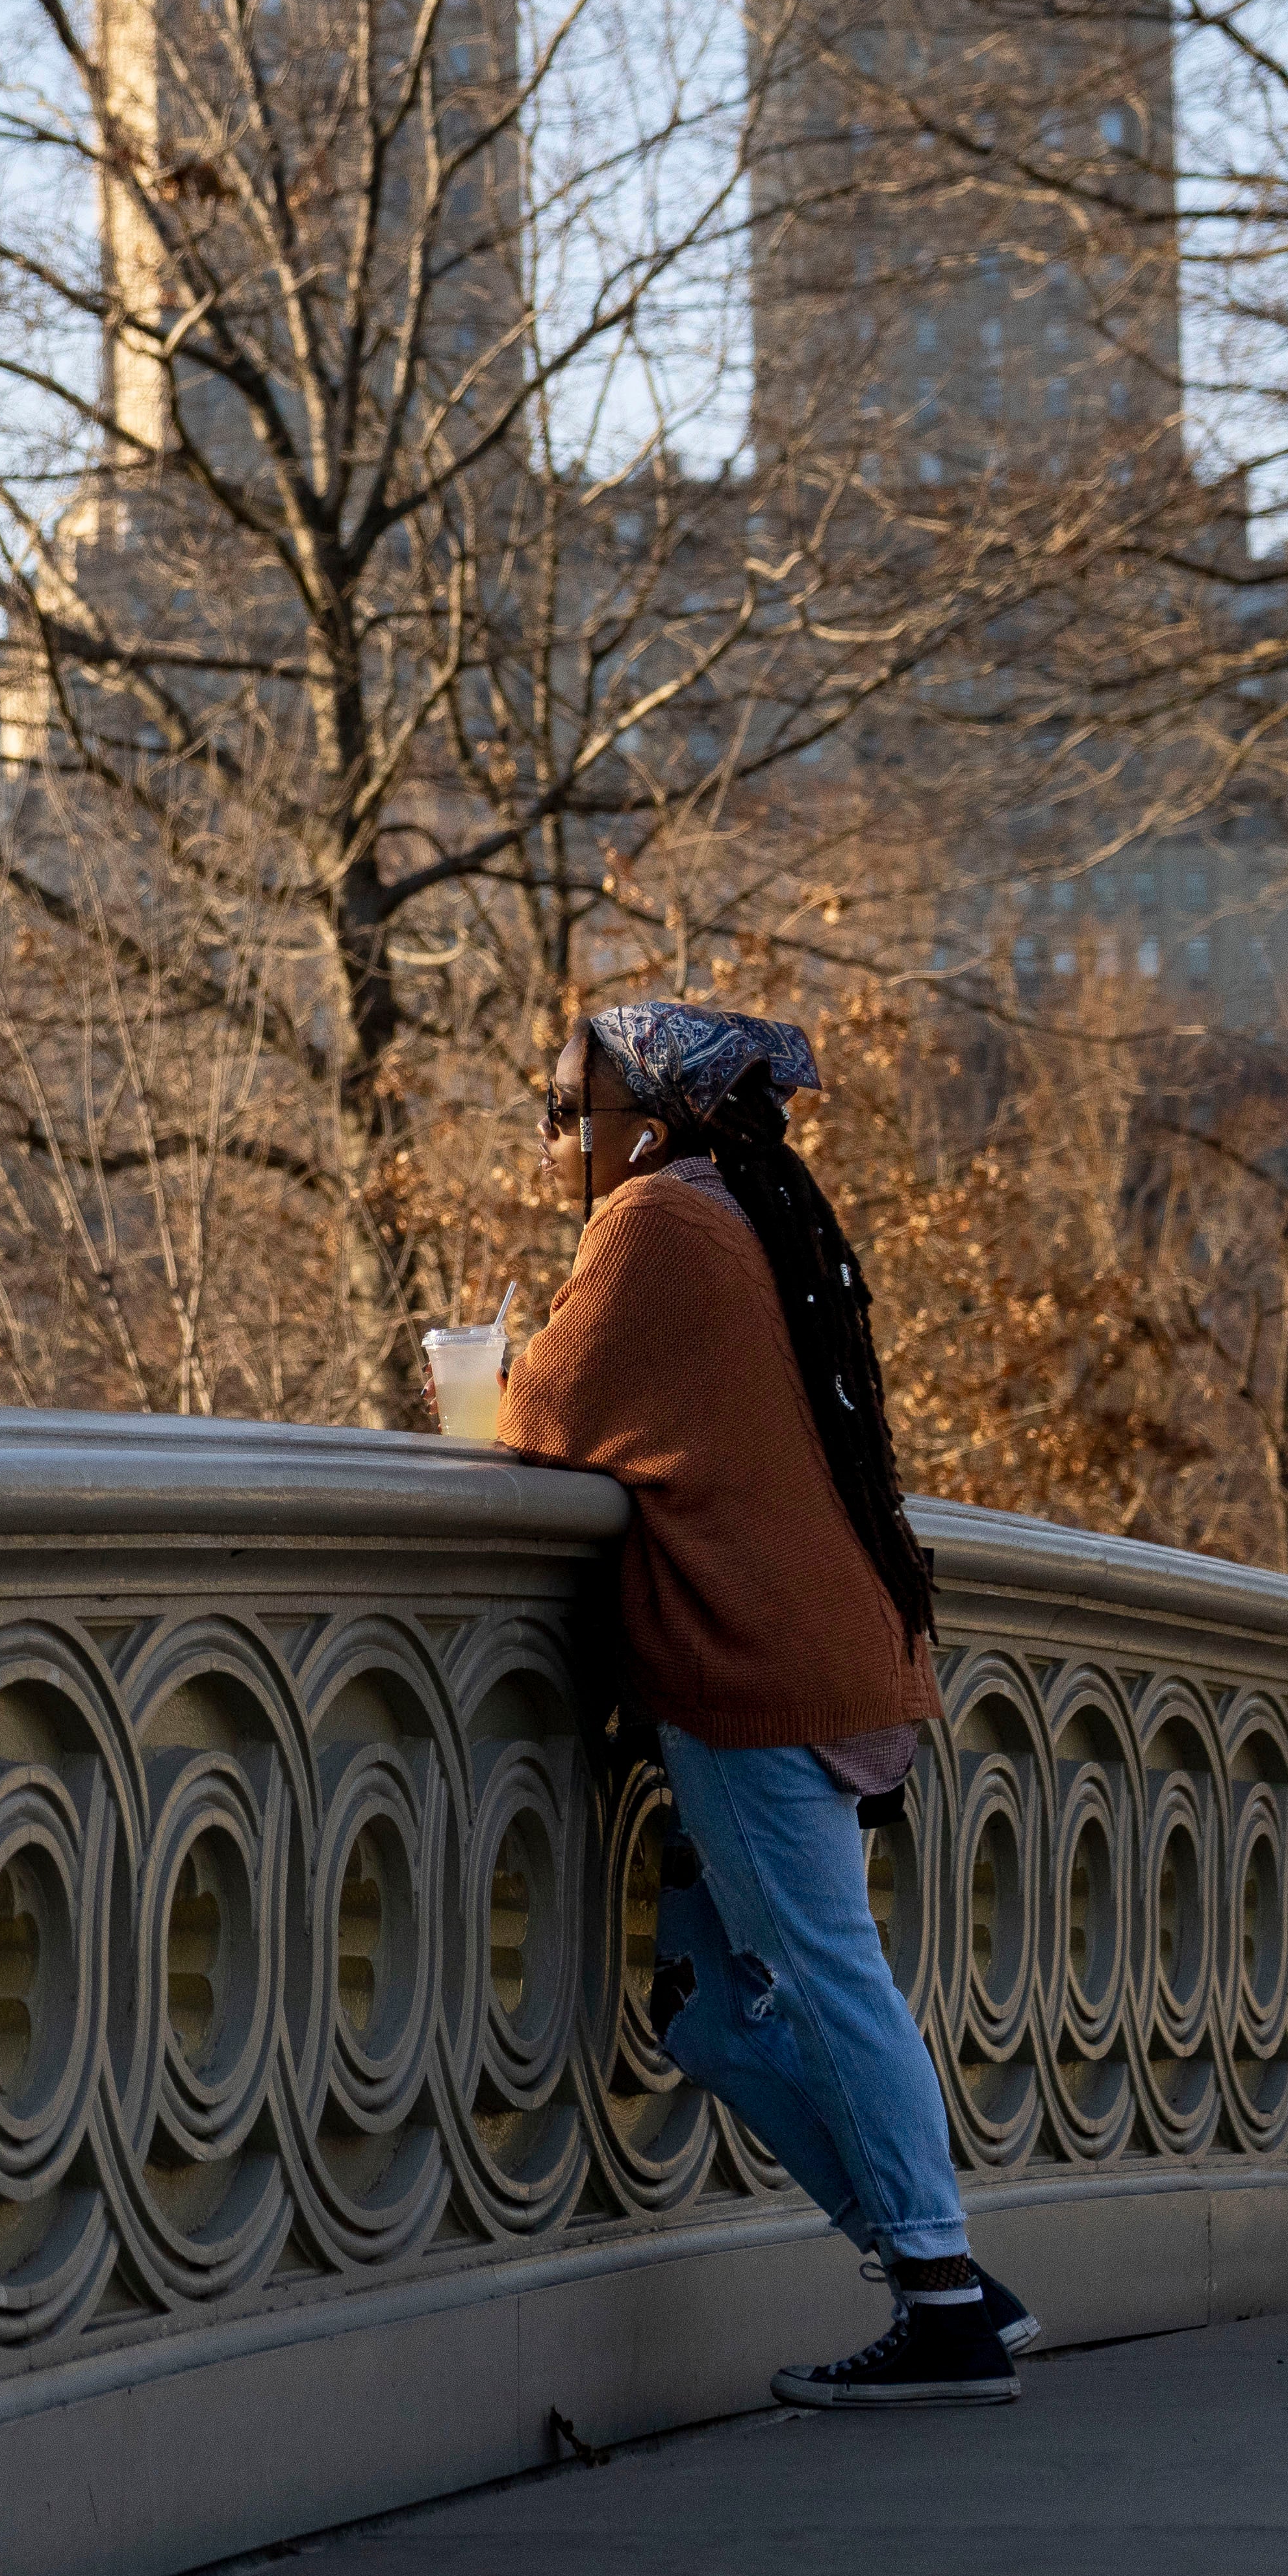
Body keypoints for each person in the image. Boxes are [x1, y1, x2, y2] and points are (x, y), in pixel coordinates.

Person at [495, 999, 1033, 2408]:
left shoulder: (656, 1224)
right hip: (823, 1657)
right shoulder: (735, 1209)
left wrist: (493, 1375)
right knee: (710, 2016)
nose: (551, 1134)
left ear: (647, 1122)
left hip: (749, 1674)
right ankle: (950, 2285)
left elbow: (537, 1420)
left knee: (822, 1974)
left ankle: (940, 2301)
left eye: (567, 1109)